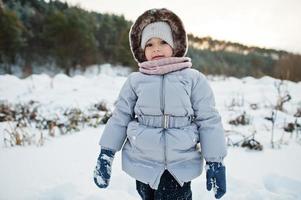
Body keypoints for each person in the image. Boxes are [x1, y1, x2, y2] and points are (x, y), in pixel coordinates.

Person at [93, 8, 227, 200]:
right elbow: (120, 117)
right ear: (142, 50)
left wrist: (215, 161)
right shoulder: (135, 81)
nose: (156, 48)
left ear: (176, 45)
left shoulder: (193, 79)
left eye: (163, 42)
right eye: (149, 44)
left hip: (178, 168)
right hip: (143, 164)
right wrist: (106, 153)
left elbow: (209, 120)